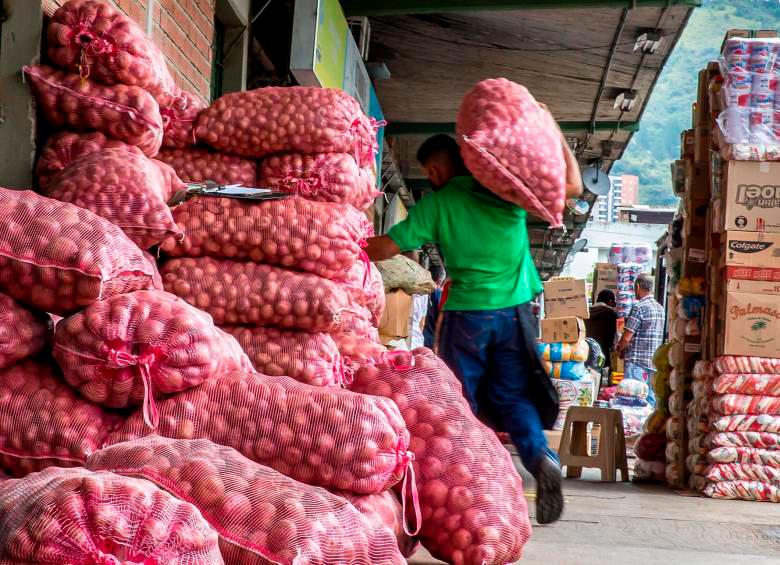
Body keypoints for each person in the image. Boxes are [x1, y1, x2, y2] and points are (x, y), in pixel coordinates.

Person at [364, 124, 583, 525]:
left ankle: (470, 483)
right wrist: (549, 126)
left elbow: (388, 247)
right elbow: (572, 187)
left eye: (430, 170)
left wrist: (349, 241)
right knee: (514, 396)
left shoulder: (438, 203)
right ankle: (539, 457)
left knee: (457, 401)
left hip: (466, 314)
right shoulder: (506, 190)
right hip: (517, 312)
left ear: (434, 169)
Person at [616, 274, 664, 406]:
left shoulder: (639, 308)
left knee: (632, 401)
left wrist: (619, 349)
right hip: (653, 364)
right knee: (649, 402)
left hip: (636, 364)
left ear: (637, 287)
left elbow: (626, 337)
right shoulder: (660, 309)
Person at [585, 289, 618, 372]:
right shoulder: (611, 314)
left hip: (585, 351)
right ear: (610, 302)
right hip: (603, 355)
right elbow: (612, 337)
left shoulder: (586, 312)